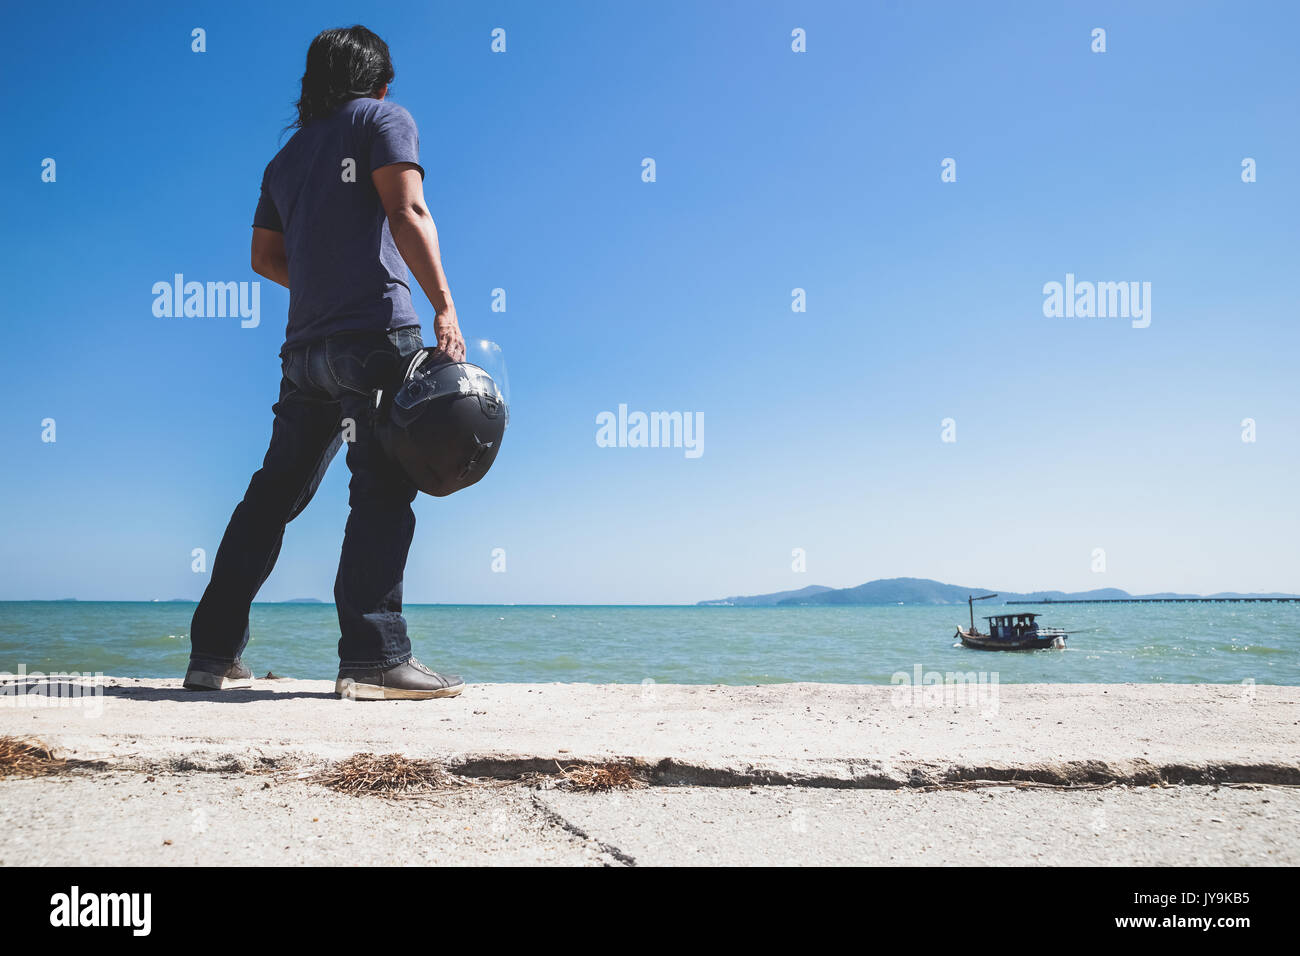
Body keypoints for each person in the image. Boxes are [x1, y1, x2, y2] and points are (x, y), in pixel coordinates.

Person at [184, 25, 464, 700]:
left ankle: (211, 656)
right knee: (382, 490)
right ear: (380, 80)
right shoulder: (384, 116)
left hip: (305, 352)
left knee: (271, 498)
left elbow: (264, 259)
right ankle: (373, 663)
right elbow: (408, 208)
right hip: (376, 339)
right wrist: (445, 307)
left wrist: (321, 285)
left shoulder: (284, 160)